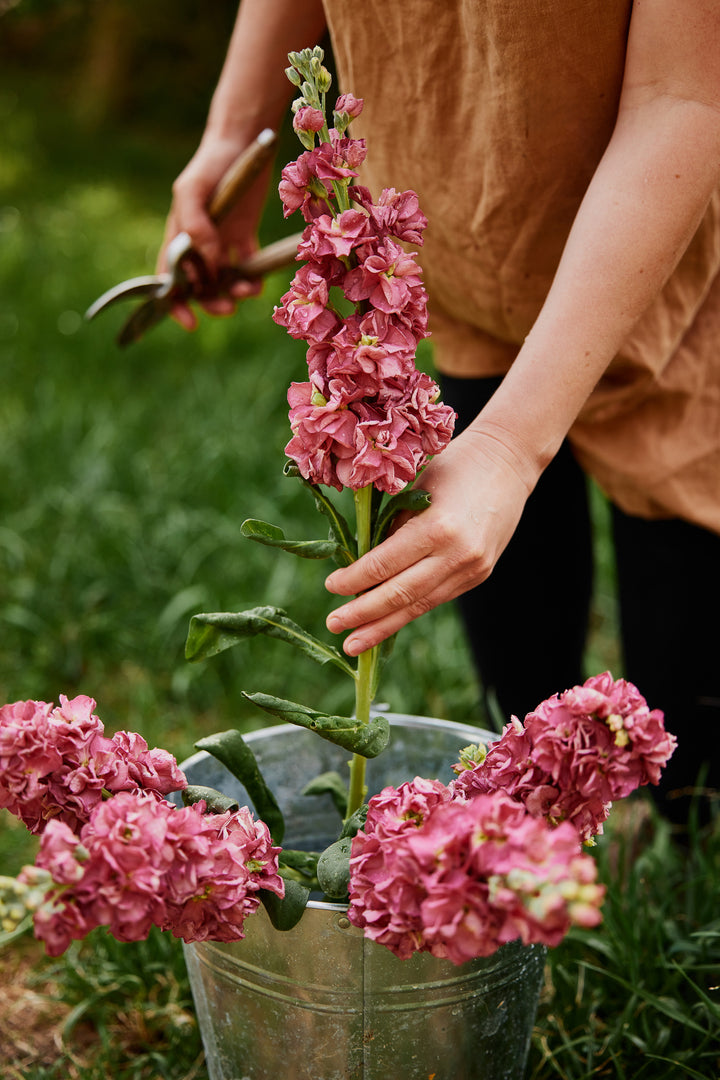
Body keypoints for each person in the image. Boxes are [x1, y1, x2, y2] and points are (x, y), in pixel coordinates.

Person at [159, 0, 720, 827]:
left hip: (658, 271)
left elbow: (687, 96)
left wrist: (507, 446)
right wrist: (233, 135)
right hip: (450, 258)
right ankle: (525, 849)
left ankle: (675, 869)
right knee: (517, 685)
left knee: (687, 733)